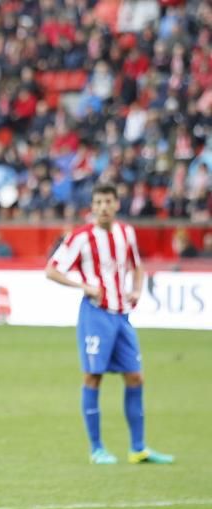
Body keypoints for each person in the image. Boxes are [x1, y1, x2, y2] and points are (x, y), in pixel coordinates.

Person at [46, 183, 174, 465]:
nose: (104, 207)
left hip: (121, 314)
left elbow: (137, 265)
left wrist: (137, 290)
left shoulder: (126, 232)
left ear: (117, 204)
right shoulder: (81, 237)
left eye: (108, 201)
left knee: (135, 376)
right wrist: (83, 285)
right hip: (95, 314)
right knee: (93, 376)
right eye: (99, 202)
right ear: (92, 207)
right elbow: (51, 270)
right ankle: (97, 449)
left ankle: (138, 448)